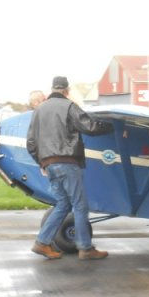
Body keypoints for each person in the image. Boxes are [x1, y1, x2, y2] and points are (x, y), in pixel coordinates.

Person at [26, 76, 113, 259]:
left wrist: (42, 163)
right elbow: (90, 127)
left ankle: (42, 243)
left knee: (63, 204)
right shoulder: (69, 106)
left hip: (49, 165)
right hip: (67, 163)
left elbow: (31, 143)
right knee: (80, 206)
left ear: (52, 89)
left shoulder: (39, 110)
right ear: (66, 90)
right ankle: (85, 249)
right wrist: (112, 127)